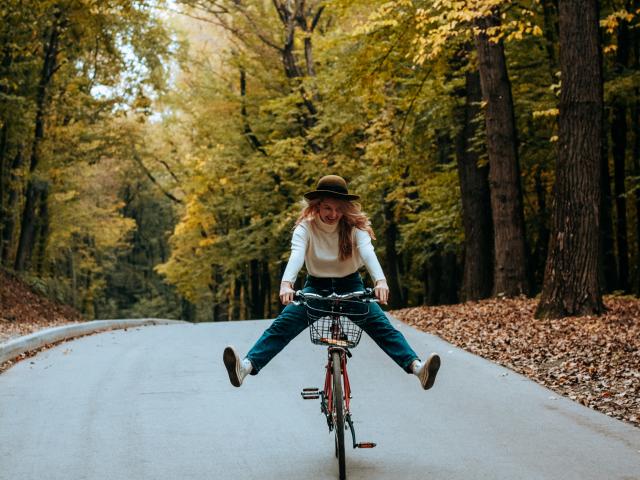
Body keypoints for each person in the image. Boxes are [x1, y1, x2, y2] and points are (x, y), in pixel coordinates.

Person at [223, 175, 440, 390]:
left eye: (338, 209)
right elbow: (297, 255)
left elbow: (368, 252)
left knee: (382, 327)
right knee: (282, 326)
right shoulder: (305, 228)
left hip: (351, 286)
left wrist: (380, 281)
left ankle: (417, 368)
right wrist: (286, 284)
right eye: (327, 208)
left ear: (345, 208)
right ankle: (246, 367)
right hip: (316, 287)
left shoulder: (356, 227)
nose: (333, 214)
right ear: (317, 206)